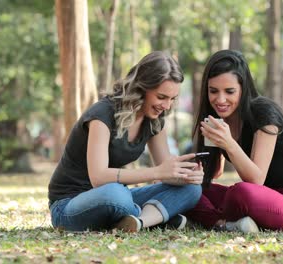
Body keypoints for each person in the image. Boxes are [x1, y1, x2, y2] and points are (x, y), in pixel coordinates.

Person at [48, 51, 203, 232]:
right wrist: (157, 172)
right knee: (117, 193)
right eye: (161, 97)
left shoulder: (154, 120)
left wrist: (185, 176)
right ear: (141, 88)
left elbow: (164, 172)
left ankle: (141, 222)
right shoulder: (102, 114)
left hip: (116, 198)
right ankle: (156, 217)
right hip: (70, 205)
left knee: (192, 190)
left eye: (172, 99)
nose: (167, 106)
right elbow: (98, 177)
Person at [186, 50, 283, 233]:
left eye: (229, 91)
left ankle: (217, 221)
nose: (220, 100)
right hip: (256, 200)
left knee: (241, 192)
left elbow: (256, 180)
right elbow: (213, 173)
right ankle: (228, 224)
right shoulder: (216, 119)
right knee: (190, 191)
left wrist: (228, 143)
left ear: (243, 89)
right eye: (213, 91)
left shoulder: (264, 113)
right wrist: (192, 173)